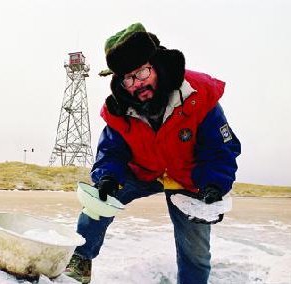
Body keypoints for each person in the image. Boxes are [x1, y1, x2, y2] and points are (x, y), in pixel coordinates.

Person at [64, 23, 241, 284]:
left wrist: (214, 184)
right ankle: (79, 261)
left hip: (189, 177)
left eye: (143, 72)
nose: (137, 84)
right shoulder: (119, 108)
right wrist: (107, 178)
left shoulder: (198, 95)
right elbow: (111, 151)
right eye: (129, 78)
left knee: (195, 252)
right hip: (142, 171)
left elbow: (219, 150)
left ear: (156, 64)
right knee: (96, 202)